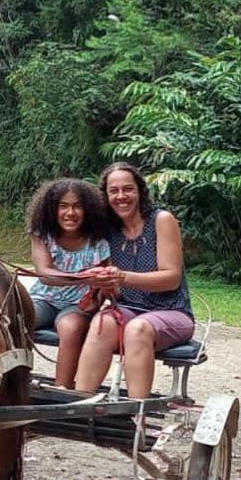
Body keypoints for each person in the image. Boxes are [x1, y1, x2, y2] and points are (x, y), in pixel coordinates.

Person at [75, 162, 194, 399]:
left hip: (173, 312)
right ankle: (79, 405)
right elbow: (116, 293)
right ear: (106, 196)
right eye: (114, 191)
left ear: (140, 191)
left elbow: (171, 278)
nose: (121, 196)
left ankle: (135, 412)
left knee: (136, 329)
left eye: (128, 189)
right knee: (102, 322)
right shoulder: (109, 230)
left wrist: (123, 277)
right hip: (130, 310)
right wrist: (103, 283)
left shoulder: (161, 220)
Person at [26, 178, 111, 389]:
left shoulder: (99, 241)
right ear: (51, 210)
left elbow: (104, 286)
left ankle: (62, 390)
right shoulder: (42, 235)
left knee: (71, 328)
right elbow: (45, 274)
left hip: (78, 304)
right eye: (63, 206)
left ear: (88, 210)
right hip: (44, 298)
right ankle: (14, 382)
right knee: (15, 320)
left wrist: (100, 293)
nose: (70, 212)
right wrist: (84, 276)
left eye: (77, 206)